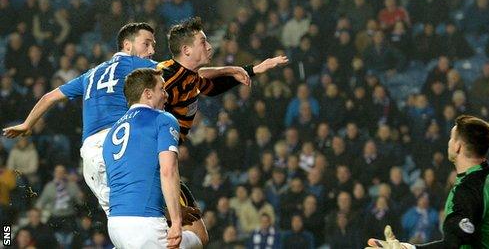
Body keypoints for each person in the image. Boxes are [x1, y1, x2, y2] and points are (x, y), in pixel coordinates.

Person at [3, 22, 158, 216]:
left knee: (119, 217)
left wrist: (27, 124)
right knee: (146, 212)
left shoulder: (90, 74)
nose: (152, 50)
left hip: (90, 152)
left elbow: (48, 97)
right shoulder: (138, 65)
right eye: (147, 44)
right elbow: (181, 71)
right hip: (119, 143)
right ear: (127, 45)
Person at [366, 115, 489, 248]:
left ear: (458, 146)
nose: (449, 142)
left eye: (452, 138)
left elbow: (452, 245)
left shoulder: (465, 192)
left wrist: (408, 248)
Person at [103, 68, 206, 248]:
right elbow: (168, 171)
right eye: (162, 89)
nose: (166, 95)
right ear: (148, 94)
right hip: (145, 226)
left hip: (115, 225)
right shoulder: (163, 119)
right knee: (199, 235)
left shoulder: (111, 134)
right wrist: (175, 222)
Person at [156, 16, 288, 141]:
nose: (209, 46)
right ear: (186, 50)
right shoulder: (165, 79)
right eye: (203, 42)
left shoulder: (188, 77)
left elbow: (213, 87)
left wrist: (253, 70)